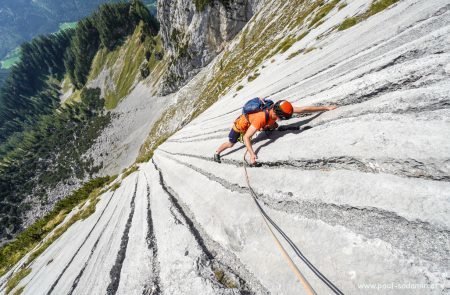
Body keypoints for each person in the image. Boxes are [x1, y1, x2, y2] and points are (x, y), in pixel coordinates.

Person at [213, 100, 337, 165]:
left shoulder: (279, 108)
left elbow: (303, 109)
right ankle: (217, 152)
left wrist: (326, 108)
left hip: (257, 122)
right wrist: (252, 154)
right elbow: (246, 137)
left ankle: (265, 128)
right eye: (283, 117)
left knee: (274, 125)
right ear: (278, 113)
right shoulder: (261, 118)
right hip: (240, 126)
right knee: (230, 143)